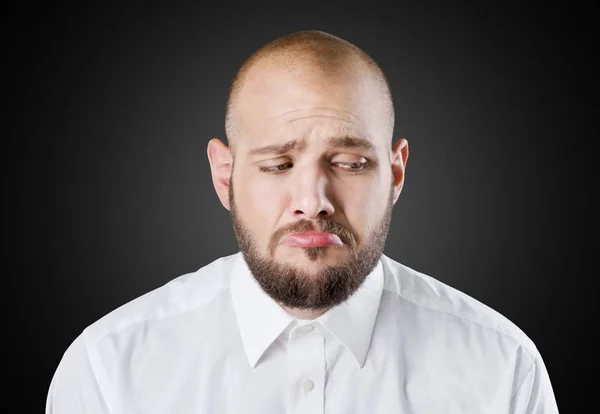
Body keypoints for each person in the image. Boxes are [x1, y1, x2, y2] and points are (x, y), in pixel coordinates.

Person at [46, 30, 559, 413]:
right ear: (224, 175)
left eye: (350, 164)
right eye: (277, 165)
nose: (312, 202)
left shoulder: (502, 366)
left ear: (396, 172)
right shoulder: (108, 370)